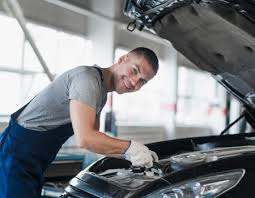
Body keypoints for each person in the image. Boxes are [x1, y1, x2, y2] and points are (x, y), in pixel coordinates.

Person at [0, 47, 159, 197]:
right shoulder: (87, 80)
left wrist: (135, 156)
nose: (134, 82)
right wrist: (131, 148)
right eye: (134, 71)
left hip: (33, 160)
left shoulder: (100, 91)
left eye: (142, 81)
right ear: (122, 59)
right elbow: (86, 139)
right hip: (15, 154)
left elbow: (96, 141)